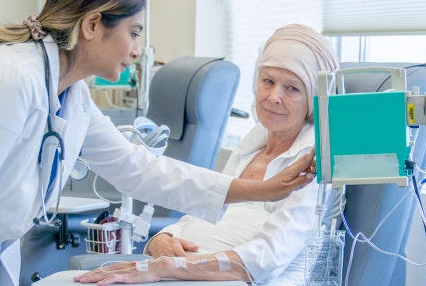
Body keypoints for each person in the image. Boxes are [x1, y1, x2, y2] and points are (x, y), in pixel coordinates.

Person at [0, 0, 315, 285]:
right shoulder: (6, 80)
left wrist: (261, 190)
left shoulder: (71, 94)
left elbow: (140, 169)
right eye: (133, 33)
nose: (137, 50)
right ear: (93, 25)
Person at [73, 24, 343, 286]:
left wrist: (170, 266)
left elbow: (266, 258)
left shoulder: (314, 162)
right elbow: (207, 206)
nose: (273, 96)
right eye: (268, 81)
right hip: (191, 275)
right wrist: (163, 239)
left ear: (313, 99)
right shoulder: (252, 145)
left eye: (292, 89)